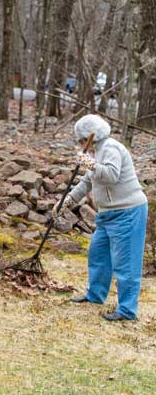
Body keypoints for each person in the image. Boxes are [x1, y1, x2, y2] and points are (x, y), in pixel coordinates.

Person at [52, 114, 148, 321]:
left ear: (88, 137)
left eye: (80, 139)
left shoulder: (110, 148)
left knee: (126, 263)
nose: (79, 144)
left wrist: (90, 164)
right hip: (107, 214)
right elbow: (87, 182)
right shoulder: (97, 150)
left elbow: (111, 175)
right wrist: (66, 202)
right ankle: (95, 295)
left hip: (127, 211)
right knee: (98, 254)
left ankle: (127, 310)